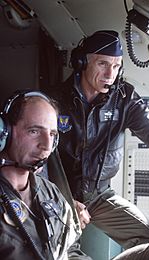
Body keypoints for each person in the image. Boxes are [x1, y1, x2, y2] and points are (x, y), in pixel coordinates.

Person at [49, 30, 149, 259]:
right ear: (82, 62)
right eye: (103, 64)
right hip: (58, 196)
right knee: (66, 255)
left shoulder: (124, 99)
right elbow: (35, 163)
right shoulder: (54, 100)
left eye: (116, 66)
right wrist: (63, 200)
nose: (110, 74)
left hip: (99, 195)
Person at [0, 90, 82, 260]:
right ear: (4, 132)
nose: (46, 146)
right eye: (34, 131)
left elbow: (71, 249)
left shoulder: (50, 191)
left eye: (52, 134)